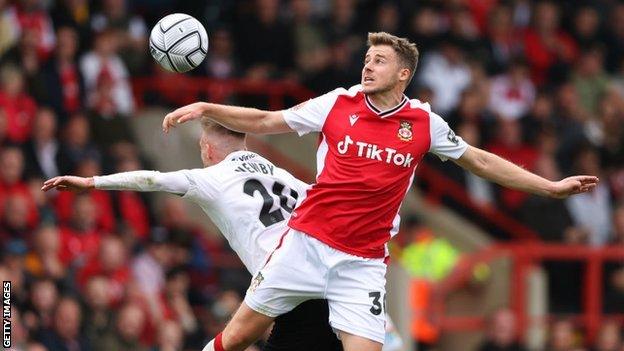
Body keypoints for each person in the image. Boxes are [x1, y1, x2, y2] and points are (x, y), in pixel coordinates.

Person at [162, 31, 599, 351]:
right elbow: (265, 121)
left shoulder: (425, 124)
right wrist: (207, 106)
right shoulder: (337, 103)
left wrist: (548, 187)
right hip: (305, 244)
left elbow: (480, 160)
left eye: (379, 61)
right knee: (237, 338)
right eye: (367, 59)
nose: (368, 66)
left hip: (362, 262)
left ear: (403, 73)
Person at [41, 119, 343, 351]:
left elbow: (151, 180)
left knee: (231, 341)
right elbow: (327, 203)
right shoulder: (282, 174)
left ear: (208, 150)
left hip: (282, 276)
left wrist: (91, 182)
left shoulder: (212, 176)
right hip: (322, 278)